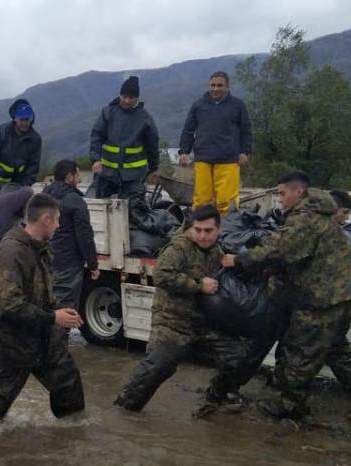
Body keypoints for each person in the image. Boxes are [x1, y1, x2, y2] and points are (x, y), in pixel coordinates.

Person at [222, 172, 351, 420]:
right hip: (341, 293)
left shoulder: (305, 218)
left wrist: (240, 260)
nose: (279, 199)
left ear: (298, 192)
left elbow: (280, 251)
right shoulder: (318, 214)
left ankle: (290, 403)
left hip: (322, 296)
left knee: (300, 349)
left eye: (282, 193)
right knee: (334, 346)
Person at [113, 205, 255, 417]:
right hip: (172, 321)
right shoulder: (179, 248)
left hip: (202, 323)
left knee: (239, 357)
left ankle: (216, 396)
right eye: (198, 230)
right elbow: (161, 275)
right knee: (158, 367)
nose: (202, 236)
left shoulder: (216, 251)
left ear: (219, 231)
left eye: (208, 231)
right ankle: (123, 410)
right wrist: (198, 285)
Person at [0, 193, 86, 421]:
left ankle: (71, 440)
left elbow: (43, 291)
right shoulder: (12, 252)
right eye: (56, 220)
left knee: (69, 386)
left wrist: (62, 313)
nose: (58, 225)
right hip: (12, 346)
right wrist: (53, 317)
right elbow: (9, 306)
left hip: (42, 340)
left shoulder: (41, 247)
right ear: (45, 219)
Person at [178, 71, 253, 214]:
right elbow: (188, 130)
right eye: (213, 85)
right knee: (201, 201)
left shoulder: (238, 105)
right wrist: (184, 151)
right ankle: (201, 232)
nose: (216, 89)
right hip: (203, 159)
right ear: (208, 86)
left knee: (227, 202)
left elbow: (246, 130)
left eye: (220, 85)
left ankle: (227, 232)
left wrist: (245, 151)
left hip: (228, 160)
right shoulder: (198, 105)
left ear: (227, 86)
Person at [89, 75, 160, 199]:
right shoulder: (108, 112)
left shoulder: (145, 118)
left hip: (134, 176)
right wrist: (95, 159)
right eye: (124, 96)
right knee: (103, 209)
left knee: (132, 211)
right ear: (119, 95)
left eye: (131, 97)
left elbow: (152, 145)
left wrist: (154, 168)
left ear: (137, 98)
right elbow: (96, 135)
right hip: (106, 174)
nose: (127, 100)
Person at [44, 160, 99, 309]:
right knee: (64, 309)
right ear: (69, 177)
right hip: (68, 265)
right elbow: (84, 236)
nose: (79, 179)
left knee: (46, 308)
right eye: (77, 175)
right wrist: (93, 265)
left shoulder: (43, 197)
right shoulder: (74, 200)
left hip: (45, 263)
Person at [0, 99, 42, 190]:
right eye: (22, 120)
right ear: (15, 118)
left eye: (27, 119)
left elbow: (33, 166)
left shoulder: (35, 139)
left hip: (18, 185)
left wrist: (25, 186)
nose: (25, 123)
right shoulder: (1, 132)